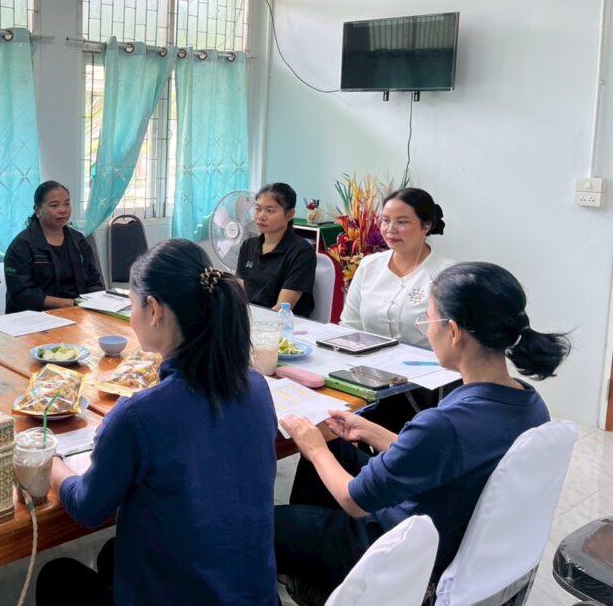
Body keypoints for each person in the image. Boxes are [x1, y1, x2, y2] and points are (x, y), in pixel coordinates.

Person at [274, 261, 570, 600]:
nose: (427, 332)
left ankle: (331, 570)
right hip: (442, 520)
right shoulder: (528, 402)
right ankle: (315, 578)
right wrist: (371, 432)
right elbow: (450, 456)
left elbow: (353, 500)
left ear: (453, 332)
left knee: (267, 523)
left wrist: (313, 447)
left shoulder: (445, 424)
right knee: (336, 451)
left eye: (428, 321)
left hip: (395, 548)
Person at [36, 239, 279, 606]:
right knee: (113, 553)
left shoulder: (139, 415)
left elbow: (87, 508)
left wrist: (53, 465)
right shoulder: (257, 386)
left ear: (153, 310)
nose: (131, 316)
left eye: (131, 304)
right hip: (254, 597)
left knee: (58, 576)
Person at [340, 187, 454, 348]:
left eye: (402, 222)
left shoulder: (448, 275)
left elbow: (454, 340)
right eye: (386, 220)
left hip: (426, 362)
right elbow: (350, 325)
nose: (390, 229)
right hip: (367, 359)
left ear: (426, 226)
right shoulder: (369, 265)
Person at [4, 181, 104, 313]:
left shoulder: (79, 240)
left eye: (67, 204)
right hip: (35, 317)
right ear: (38, 210)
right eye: (54, 205)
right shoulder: (21, 246)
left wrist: (96, 303)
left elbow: (94, 281)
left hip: (80, 312)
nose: (63, 210)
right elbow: (22, 294)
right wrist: (72, 303)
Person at [236, 182, 317, 316]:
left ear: (289, 214)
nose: (261, 216)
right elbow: (239, 293)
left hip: (284, 323)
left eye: (270, 211)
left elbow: (282, 308)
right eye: (258, 209)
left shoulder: (302, 252)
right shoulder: (247, 246)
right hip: (250, 319)